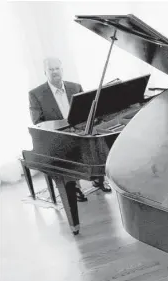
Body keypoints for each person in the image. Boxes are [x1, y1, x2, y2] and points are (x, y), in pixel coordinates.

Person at [28, 57, 111, 200]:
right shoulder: (36, 94)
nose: (55, 72)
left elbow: (88, 112)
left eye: (57, 68)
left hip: (79, 129)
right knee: (68, 148)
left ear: (62, 70)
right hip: (56, 135)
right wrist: (61, 126)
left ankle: (99, 178)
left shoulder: (75, 87)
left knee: (94, 142)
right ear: (45, 72)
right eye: (51, 69)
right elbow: (37, 122)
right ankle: (74, 187)